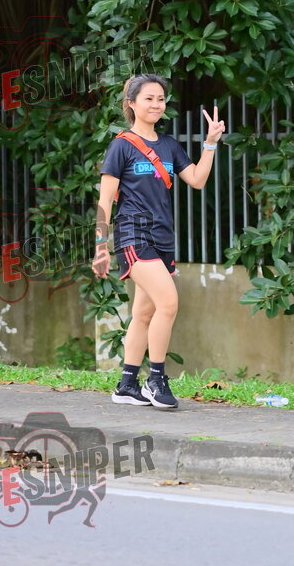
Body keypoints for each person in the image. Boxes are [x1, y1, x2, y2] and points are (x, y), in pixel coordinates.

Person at [92, 73, 226, 409]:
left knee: (144, 312)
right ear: (132, 103)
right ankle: (156, 379)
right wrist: (100, 247)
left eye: (161, 99)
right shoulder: (121, 145)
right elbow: (105, 201)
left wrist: (210, 143)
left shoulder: (169, 145)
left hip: (163, 238)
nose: (156, 104)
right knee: (168, 303)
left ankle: (126, 384)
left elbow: (197, 179)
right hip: (133, 235)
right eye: (148, 98)